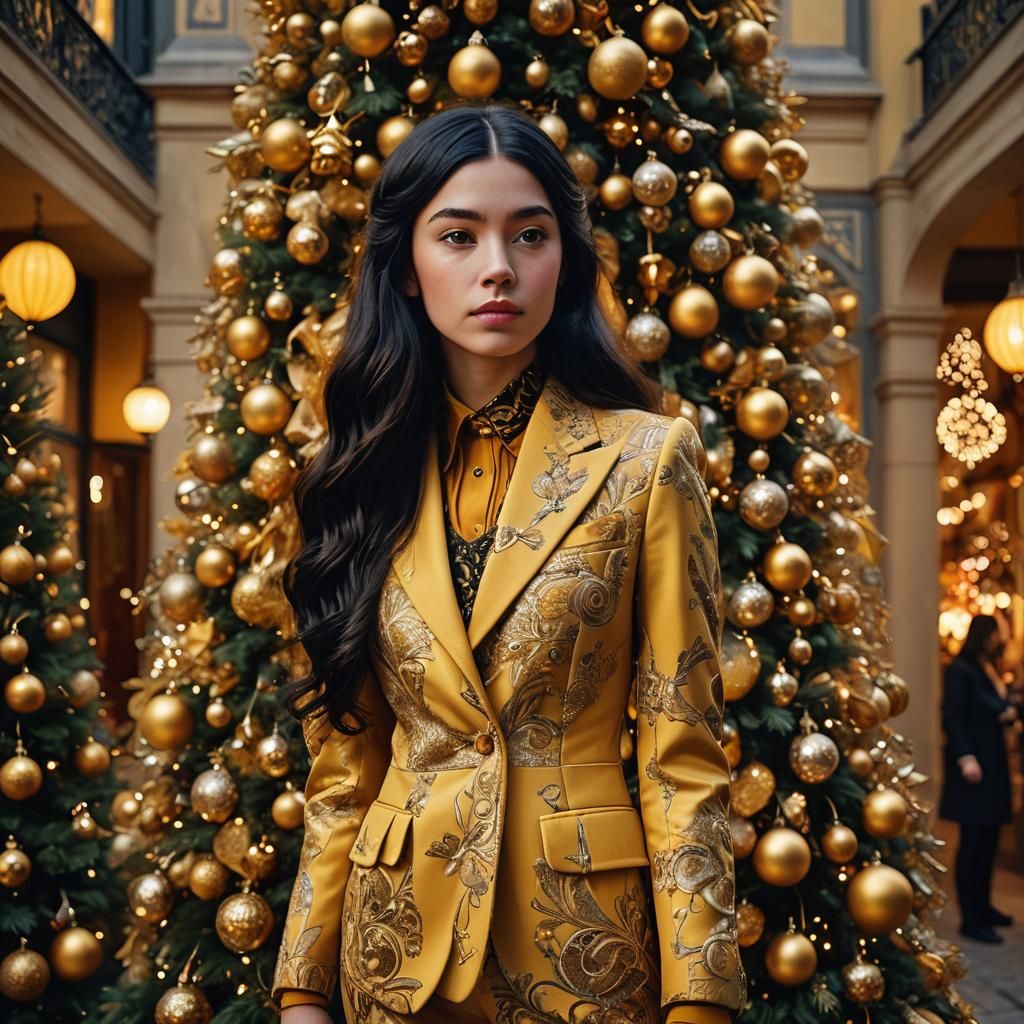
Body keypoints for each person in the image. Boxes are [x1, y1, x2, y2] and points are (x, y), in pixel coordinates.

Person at [272, 102, 745, 1024]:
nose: (499, 268)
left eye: (529, 235)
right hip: (390, 958)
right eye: (458, 235)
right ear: (407, 269)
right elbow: (344, 769)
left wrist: (701, 1002)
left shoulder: (647, 458)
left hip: (584, 956)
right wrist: (301, 989)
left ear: (561, 260)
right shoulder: (362, 472)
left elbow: (683, 755)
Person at [939, 613, 1018, 943]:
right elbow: (952, 716)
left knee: (989, 840)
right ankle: (969, 916)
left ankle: (984, 907)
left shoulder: (988, 669)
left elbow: (996, 707)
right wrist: (965, 757)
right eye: (996, 633)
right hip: (973, 767)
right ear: (984, 636)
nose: (1001, 639)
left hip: (993, 764)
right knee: (972, 842)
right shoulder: (959, 671)